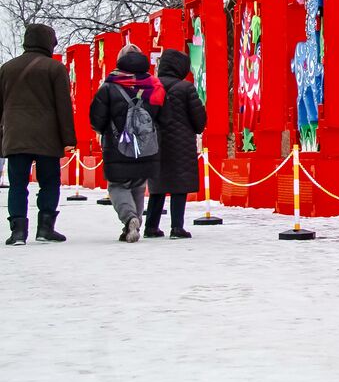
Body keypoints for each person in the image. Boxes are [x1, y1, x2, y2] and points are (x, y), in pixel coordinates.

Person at [0, 23, 76, 245]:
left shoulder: (7, 68)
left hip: (16, 136)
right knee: (50, 183)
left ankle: (17, 232)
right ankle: (45, 229)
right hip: (47, 138)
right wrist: (69, 140)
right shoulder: (54, 69)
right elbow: (64, 107)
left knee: (17, 184)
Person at [90, 45, 165, 243]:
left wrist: (104, 130)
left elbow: (96, 119)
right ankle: (132, 225)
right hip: (147, 144)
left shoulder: (109, 85)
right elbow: (164, 116)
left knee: (117, 185)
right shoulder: (154, 85)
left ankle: (130, 218)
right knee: (138, 184)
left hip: (117, 145)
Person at [145, 49, 206, 238]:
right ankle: (177, 227)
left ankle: (151, 227)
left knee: (157, 185)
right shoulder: (186, 88)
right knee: (179, 185)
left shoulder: (150, 87)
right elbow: (199, 120)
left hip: (156, 142)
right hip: (181, 143)